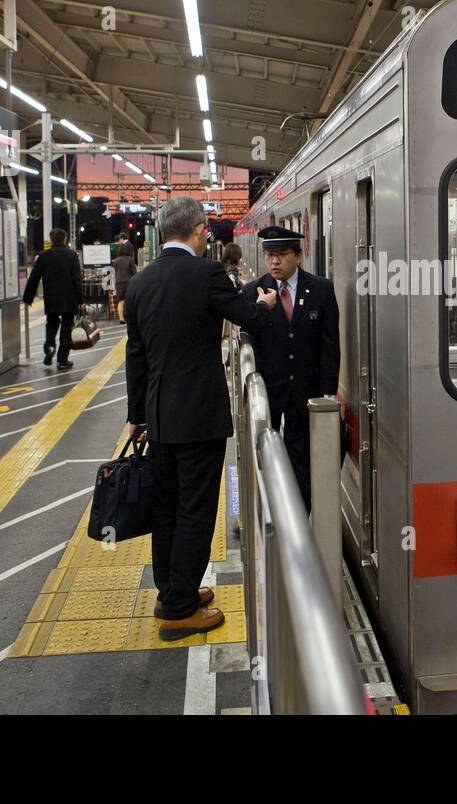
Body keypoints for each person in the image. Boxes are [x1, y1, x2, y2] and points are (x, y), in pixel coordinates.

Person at [124, 197, 277, 640]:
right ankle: (180, 609)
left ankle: (170, 590)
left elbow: (136, 356)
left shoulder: (141, 282)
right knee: (195, 508)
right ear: (197, 231)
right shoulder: (206, 273)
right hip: (197, 415)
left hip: (159, 414)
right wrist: (265, 302)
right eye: (205, 231)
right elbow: (247, 316)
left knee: (166, 507)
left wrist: (138, 415)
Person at [239, 226, 339, 509]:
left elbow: (330, 346)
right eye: (269, 255)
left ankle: (302, 514)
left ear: (298, 254)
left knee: (303, 458)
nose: (274, 262)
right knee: (266, 455)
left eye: (282, 255)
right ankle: (269, 509)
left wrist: (328, 394)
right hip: (269, 392)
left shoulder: (321, 290)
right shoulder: (252, 293)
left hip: (306, 390)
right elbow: (249, 342)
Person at [23, 228, 84, 370]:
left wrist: (28, 298)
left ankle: (49, 347)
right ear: (65, 239)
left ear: (51, 240)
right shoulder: (72, 255)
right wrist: (81, 300)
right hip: (69, 299)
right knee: (66, 328)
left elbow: (34, 278)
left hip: (51, 298)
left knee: (51, 324)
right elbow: (77, 280)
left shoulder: (44, 257)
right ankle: (62, 360)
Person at [111, 241, 137, 323]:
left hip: (119, 283)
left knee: (121, 301)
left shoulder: (116, 261)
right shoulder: (130, 259)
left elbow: (115, 272)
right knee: (130, 300)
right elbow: (134, 272)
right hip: (129, 282)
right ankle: (130, 317)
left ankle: (121, 319)